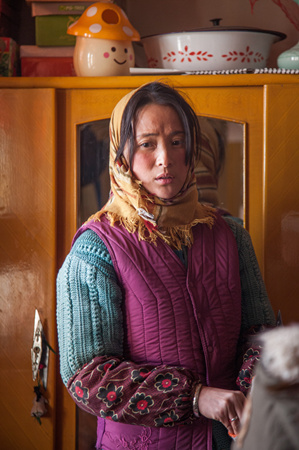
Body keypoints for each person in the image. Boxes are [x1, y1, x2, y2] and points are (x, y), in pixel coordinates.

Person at [56, 81, 276, 449]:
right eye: (147, 143)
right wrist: (196, 397)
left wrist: (246, 392)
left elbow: (261, 335)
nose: (165, 158)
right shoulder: (97, 248)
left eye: (177, 141)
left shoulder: (231, 236)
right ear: (121, 154)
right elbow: (87, 377)